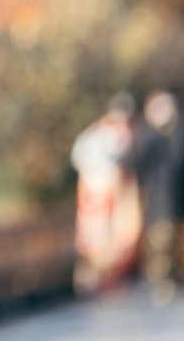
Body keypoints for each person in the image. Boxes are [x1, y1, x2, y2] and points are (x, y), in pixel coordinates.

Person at [133, 90, 184, 302]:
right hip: (161, 199)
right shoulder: (148, 135)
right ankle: (163, 279)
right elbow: (140, 164)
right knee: (162, 242)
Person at [69, 92, 142, 297]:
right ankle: (101, 280)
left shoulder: (92, 132)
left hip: (93, 191)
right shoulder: (114, 134)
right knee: (104, 237)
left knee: (99, 237)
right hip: (105, 191)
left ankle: (99, 280)